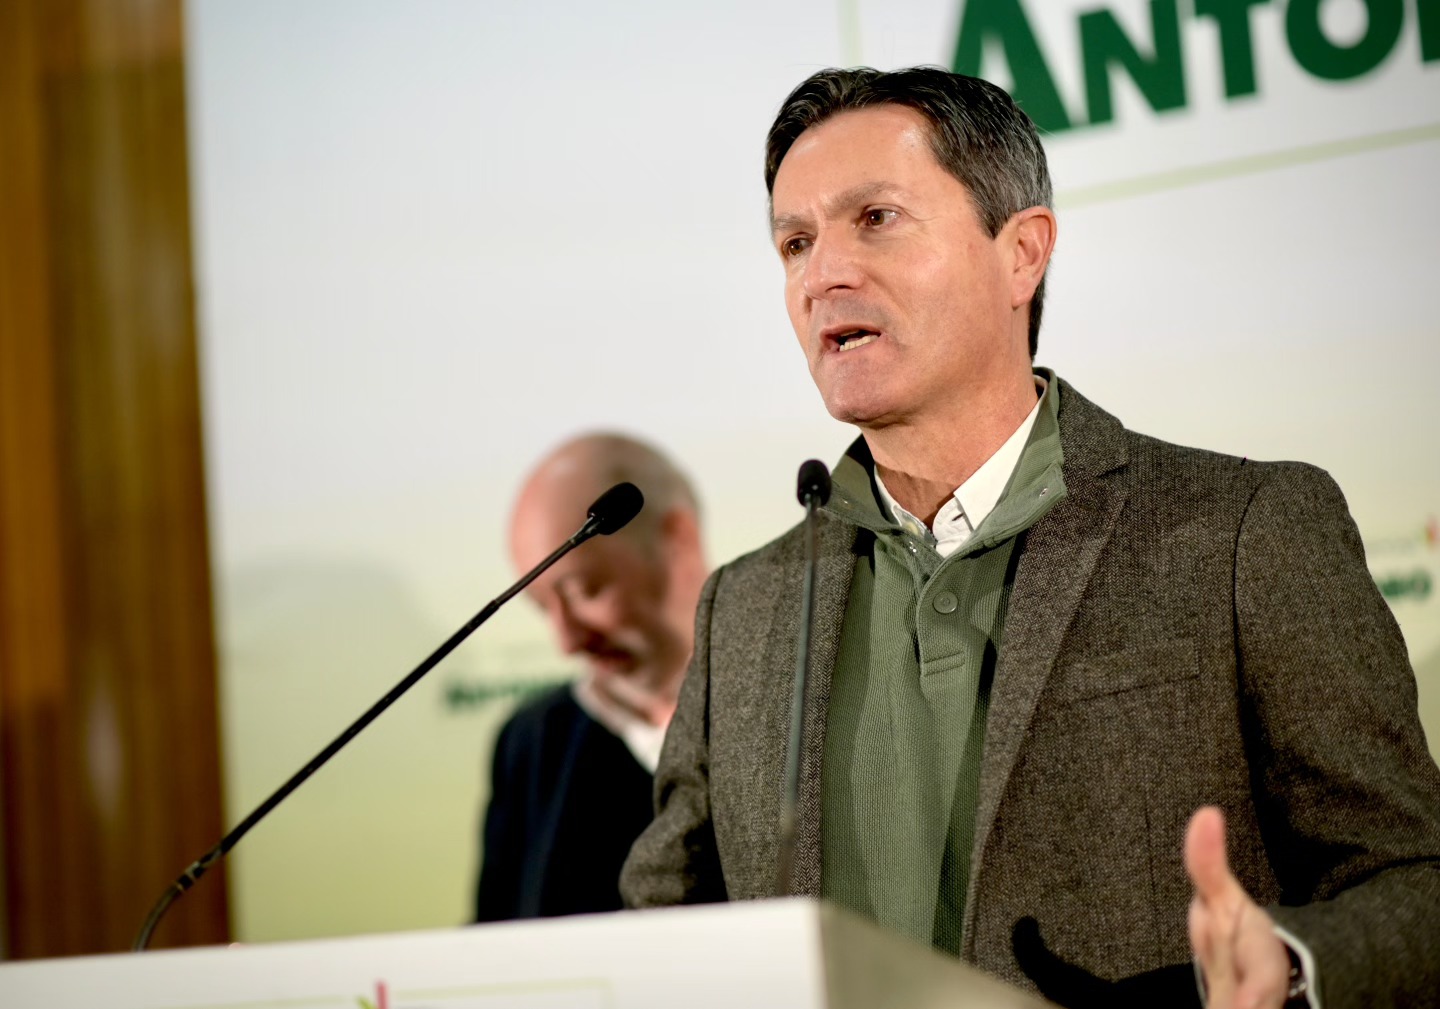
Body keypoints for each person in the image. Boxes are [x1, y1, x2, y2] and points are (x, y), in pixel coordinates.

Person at [619, 67, 1440, 1009]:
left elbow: (1414, 879)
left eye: (876, 219)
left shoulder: (1240, 531)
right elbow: (664, 935)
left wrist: (1293, 960)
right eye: (795, 242)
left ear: (1023, 254)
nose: (822, 275)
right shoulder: (747, 607)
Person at [474, 433, 709, 920]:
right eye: (542, 607)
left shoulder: (794, 697)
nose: (567, 641)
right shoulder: (532, 742)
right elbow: (493, 942)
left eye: (584, 590)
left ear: (679, 540)